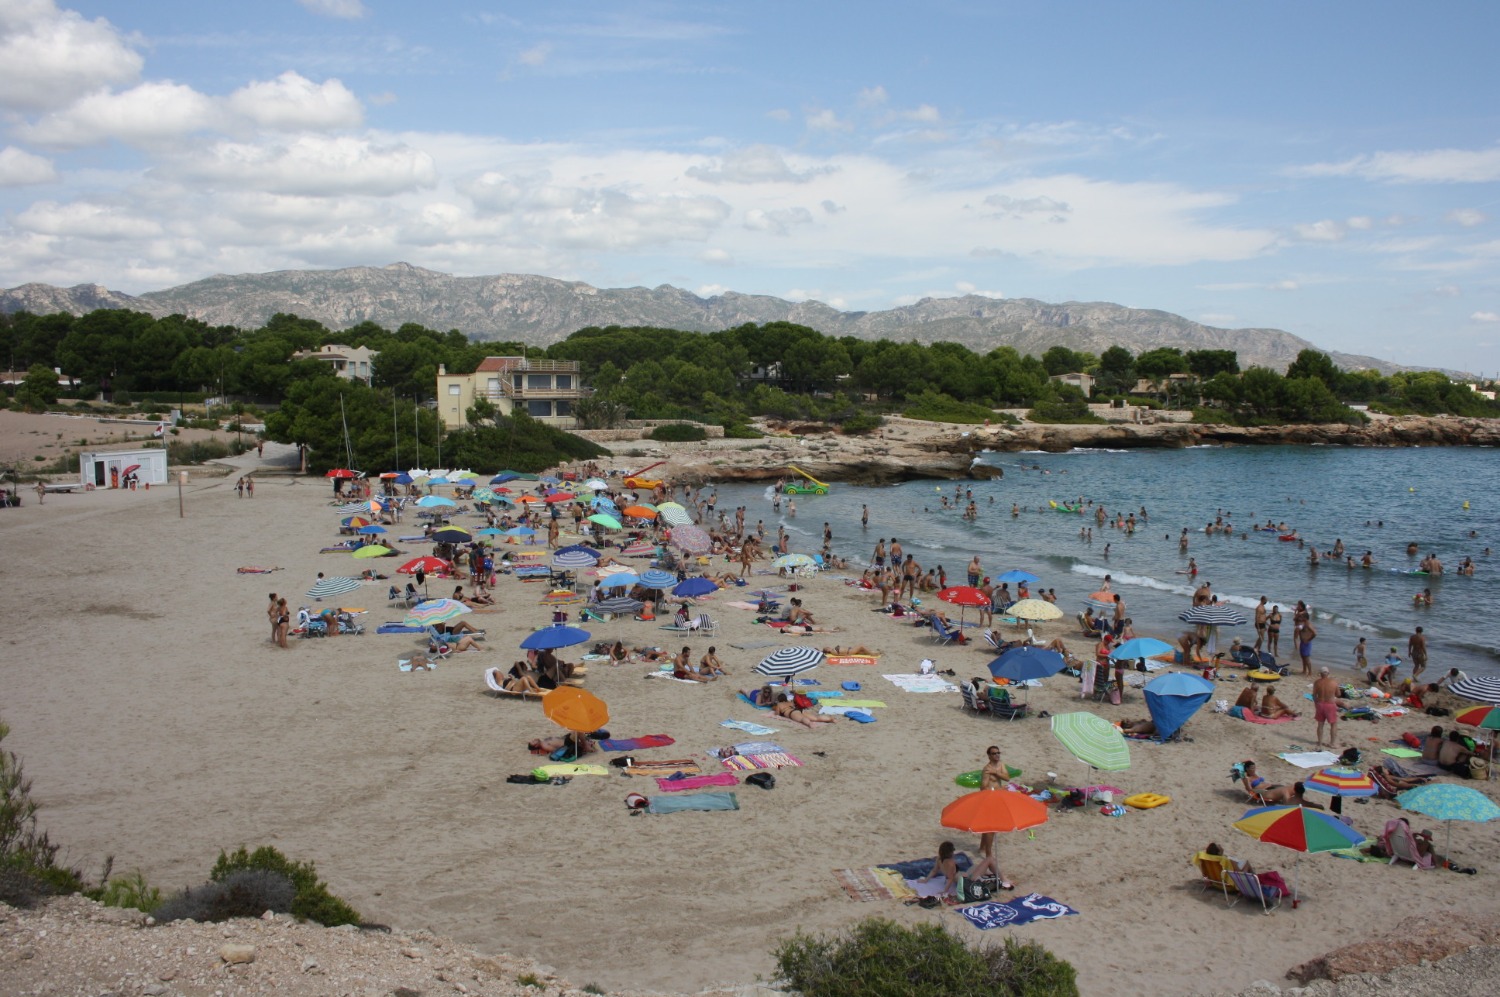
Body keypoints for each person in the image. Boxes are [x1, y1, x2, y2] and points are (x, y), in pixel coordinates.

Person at [771, 693, 838, 728]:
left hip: (791, 712)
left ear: (779, 700)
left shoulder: (779, 704)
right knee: (816, 718)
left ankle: (810, 724)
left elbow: (777, 714)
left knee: (802, 719)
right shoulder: (790, 702)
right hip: (798, 710)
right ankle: (831, 719)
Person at [1312, 667, 1340, 749]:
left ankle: (1320, 743)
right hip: (1330, 704)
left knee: (1320, 724)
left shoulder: (1317, 682)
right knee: (1333, 724)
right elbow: (1338, 694)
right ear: (1328, 673)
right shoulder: (1333, 682)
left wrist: (1316, 704)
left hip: (1320, 704)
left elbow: (1314, 695)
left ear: (1320, 674)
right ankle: (1332, 743)